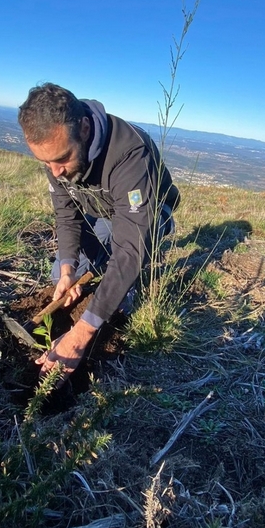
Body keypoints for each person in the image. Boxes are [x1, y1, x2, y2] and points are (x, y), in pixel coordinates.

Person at [18, 83, 180, 382]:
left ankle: (129, 280)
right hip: (102, 209)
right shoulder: (55, 156)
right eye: (45, 162)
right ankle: (98, 275)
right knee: (61, 273)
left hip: (145, 210)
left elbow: (130, 249)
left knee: (121, 269)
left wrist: (80, 334)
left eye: (62, 158)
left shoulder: (130, 154)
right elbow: (66, 215)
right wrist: (67, 270)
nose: (55, 171)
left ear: (83, 128)